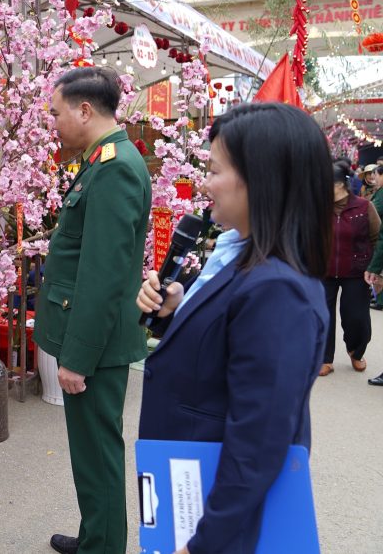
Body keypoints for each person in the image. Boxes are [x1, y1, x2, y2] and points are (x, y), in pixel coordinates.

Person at [136, 102, 331, 554]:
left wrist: (208, 542)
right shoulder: (244, 257)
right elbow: (224, 346)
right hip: (186, 476)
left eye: (214, 170)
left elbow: (258, 438)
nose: (204, 184)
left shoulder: (278, 289)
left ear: (259, 178)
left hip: (216, 516)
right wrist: (175, 314)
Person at [36, 66, 151, 554]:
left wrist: (77, 357)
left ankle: (103, 548)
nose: (53, 123)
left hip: (95, 345)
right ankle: (95, 537)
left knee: (99, 454)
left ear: (85, 110)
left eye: (56, 113)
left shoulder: (116, 167)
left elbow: (103, 276)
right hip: (91, 336)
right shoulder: (102, 159)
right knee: (89, 453)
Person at [320, 161, 377, 376]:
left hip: (356, 270)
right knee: (323, 315)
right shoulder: (318, 208)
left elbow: (376, 236)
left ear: (339, 185)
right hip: (324, 270)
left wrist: (375, 268)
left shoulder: (363, 206)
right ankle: (324, 358)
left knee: (356, 317)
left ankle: (355, 349)